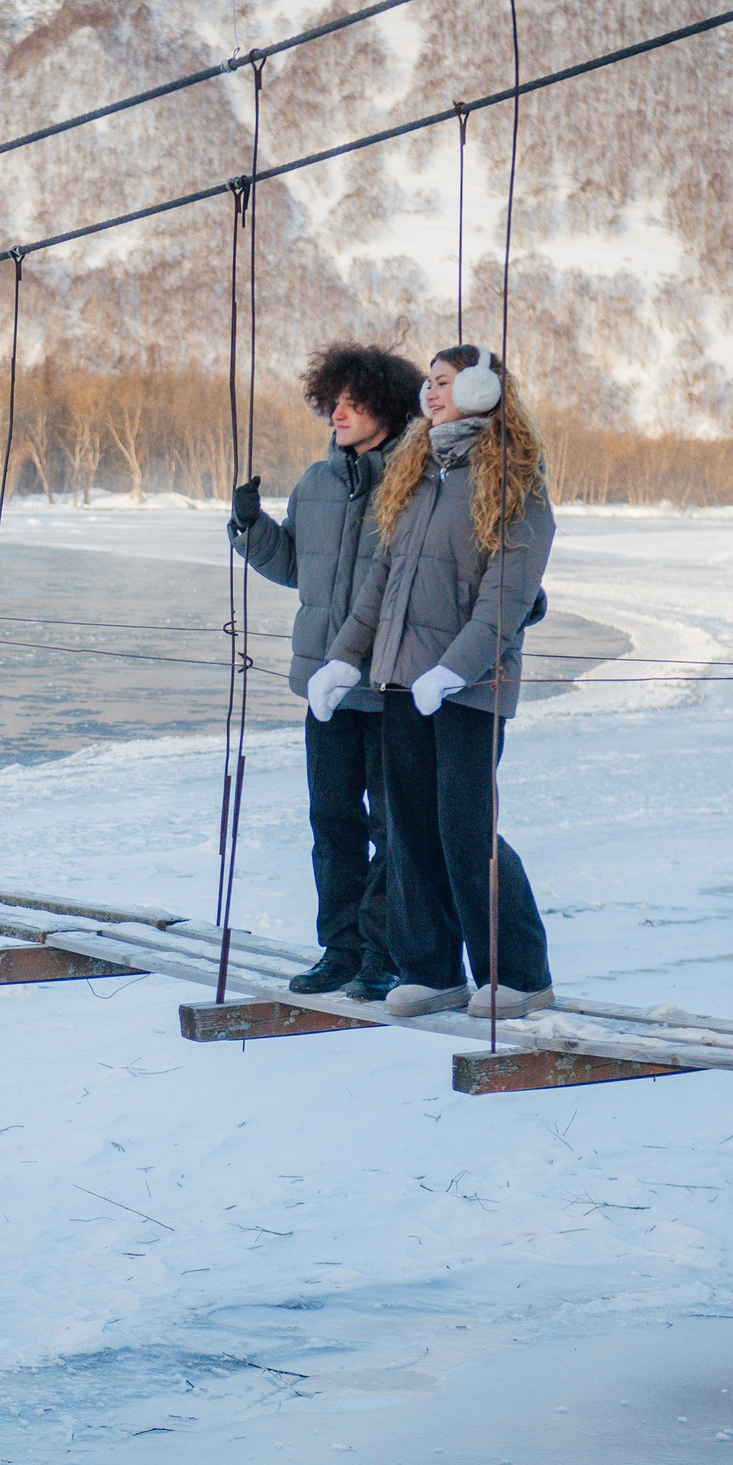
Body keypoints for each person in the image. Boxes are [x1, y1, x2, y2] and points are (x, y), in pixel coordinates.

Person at [306, 343, 555, 1020]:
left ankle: (518, 973)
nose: (431, 394)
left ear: (481, 389)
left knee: (465, 827)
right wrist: (343, 659)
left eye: (445, 382)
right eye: (430, 384)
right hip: (399, 682)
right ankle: (433, 968)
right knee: (411, 830)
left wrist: (453, 669)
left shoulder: (515, 481)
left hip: (469, 688)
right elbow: (379, 585)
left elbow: (505, 596)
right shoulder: (417, 474)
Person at [227, 342, 423, 1000]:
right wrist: (251, 526)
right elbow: (294, 569)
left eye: (353, 400)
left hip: (391, 684)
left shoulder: (418, 480)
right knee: (331, 823)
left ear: (388, 406)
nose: (337, 411)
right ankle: (339, 951)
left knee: (392, 828)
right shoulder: (315, 482)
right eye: (332, 399)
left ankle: (383, 952)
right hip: (323, 687)